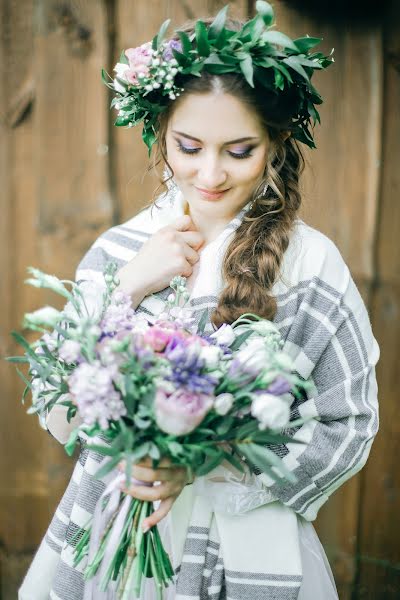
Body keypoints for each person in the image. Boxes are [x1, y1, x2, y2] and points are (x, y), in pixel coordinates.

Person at [19, 3, 380, 599]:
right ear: (160, 132)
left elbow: (350, 421)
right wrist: (128, 285)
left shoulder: (311, 265)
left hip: (246, 544)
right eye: (188, 146)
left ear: (276, 144)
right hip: (118, 537)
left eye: (239, 150)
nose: (209, 173)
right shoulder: (121, 250)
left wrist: (203, 466)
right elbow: (57, 397)